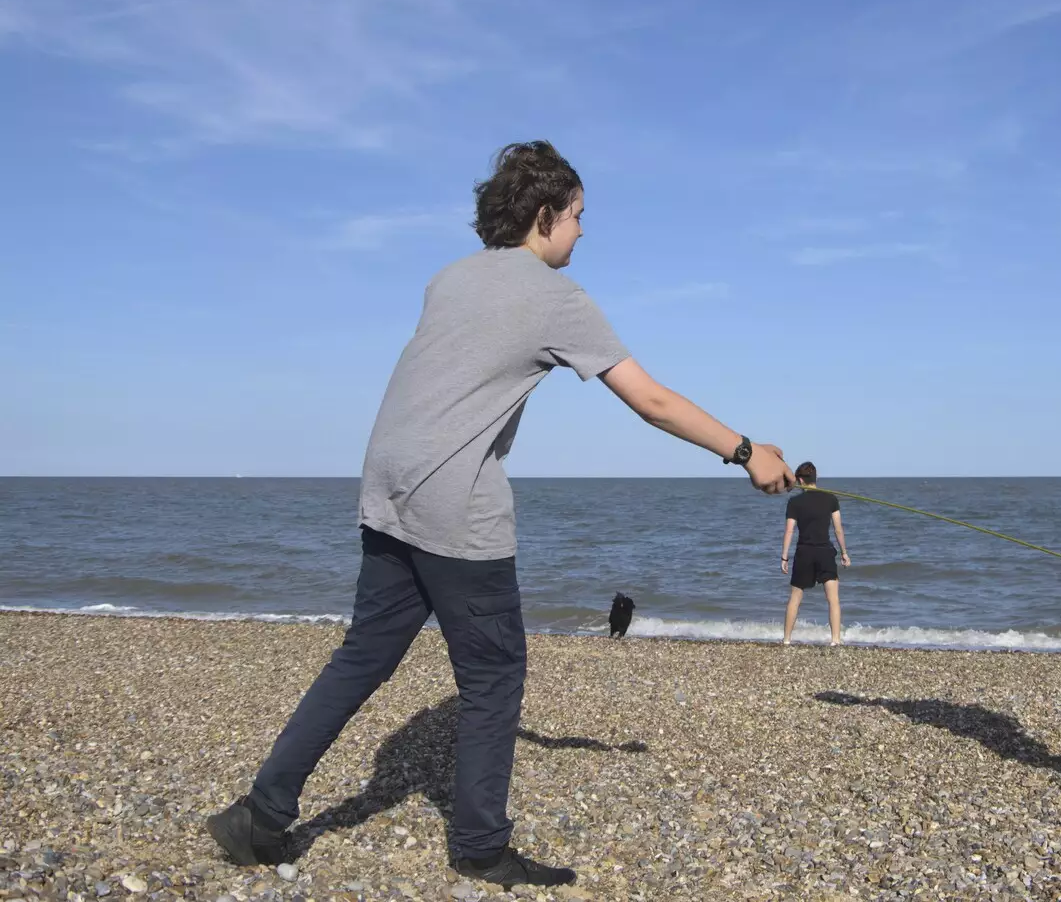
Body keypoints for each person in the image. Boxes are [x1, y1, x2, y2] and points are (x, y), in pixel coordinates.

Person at [203, 142, 794, 888]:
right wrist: (747, 452)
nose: (583, 232)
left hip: (387, 490)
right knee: (493, 675)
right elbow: (651, 400)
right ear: (544, 215)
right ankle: (481, 848)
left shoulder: (448, 278)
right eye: (578, 217)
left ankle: (257, 815)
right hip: (455, 503)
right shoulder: (556, 298)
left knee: (364, 657)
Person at [779, 462, 851, 646]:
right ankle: (835, 640)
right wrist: (844, 552)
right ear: (815, 478)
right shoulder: (831, 499)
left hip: (804, 552)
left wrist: (784, 557)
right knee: (833, 599)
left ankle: (787, 639)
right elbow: (838, 530)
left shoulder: (794, 502)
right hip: (825, 552)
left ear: (800, 480)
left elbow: (789, 531)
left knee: (795, 597)